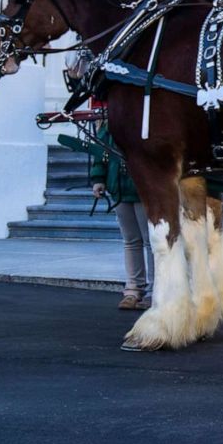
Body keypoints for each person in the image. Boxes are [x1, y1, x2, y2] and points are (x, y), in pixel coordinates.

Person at [91, 126, 154, 309]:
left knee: (150, 242)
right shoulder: (110, 126)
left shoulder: (144, 122)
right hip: (119, 189)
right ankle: (133, 288)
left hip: (143, 189)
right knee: (131, 240)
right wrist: (98, 179)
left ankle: (154, 289)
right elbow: (100, 153)